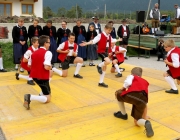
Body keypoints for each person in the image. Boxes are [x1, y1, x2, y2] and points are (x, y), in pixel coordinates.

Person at [114, 67, 154, 138]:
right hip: (143, 101)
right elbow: (145, 103)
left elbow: (128, 83)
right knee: (136, 122)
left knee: (117, 93)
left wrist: (123, 88)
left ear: (132, 73)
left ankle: (123, 114)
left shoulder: (131, 76)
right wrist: (145, 117)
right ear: (141, 75)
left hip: (133, 95)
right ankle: (145, 123)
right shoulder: (145, 81)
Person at [80, 23, 121, 88]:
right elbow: (93, 41)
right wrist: (87, 43)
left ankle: (101, 82)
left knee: (104, 67)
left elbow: (112, 40)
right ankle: (98, 66)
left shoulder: (109, 36)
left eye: (110, 31)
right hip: (101, 51)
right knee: (108, 61)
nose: (109, 32)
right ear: (105, 29)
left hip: (107, 52)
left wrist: (118, 40)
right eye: (108, 30)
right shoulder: (100, 35)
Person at [23, 35, 52, 110]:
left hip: (34, 76)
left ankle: (41, 93)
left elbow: (29, 65)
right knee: (48, 98)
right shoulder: (48, 53)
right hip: (43, 76)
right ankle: (30, 97)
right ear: (45, 43)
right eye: (48, 43)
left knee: (45, 88)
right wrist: (50, 67)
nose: (49, 44)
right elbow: (46, 67)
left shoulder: (33, 53)